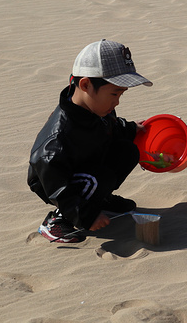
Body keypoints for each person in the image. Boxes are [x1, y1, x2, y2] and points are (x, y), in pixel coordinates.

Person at [28, 39, 152, 242]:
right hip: (53, 180)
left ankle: (98, 200)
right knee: (98, 178)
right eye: (114, 93)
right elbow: (54, 180)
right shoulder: (59, 135)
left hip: (86, 163)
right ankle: (57, 221)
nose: (117, 101)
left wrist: (131, 129)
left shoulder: (98, 109)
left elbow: (109, 126)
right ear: (85, 84)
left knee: (127, 151)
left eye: (121, 94)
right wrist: (86, 215)